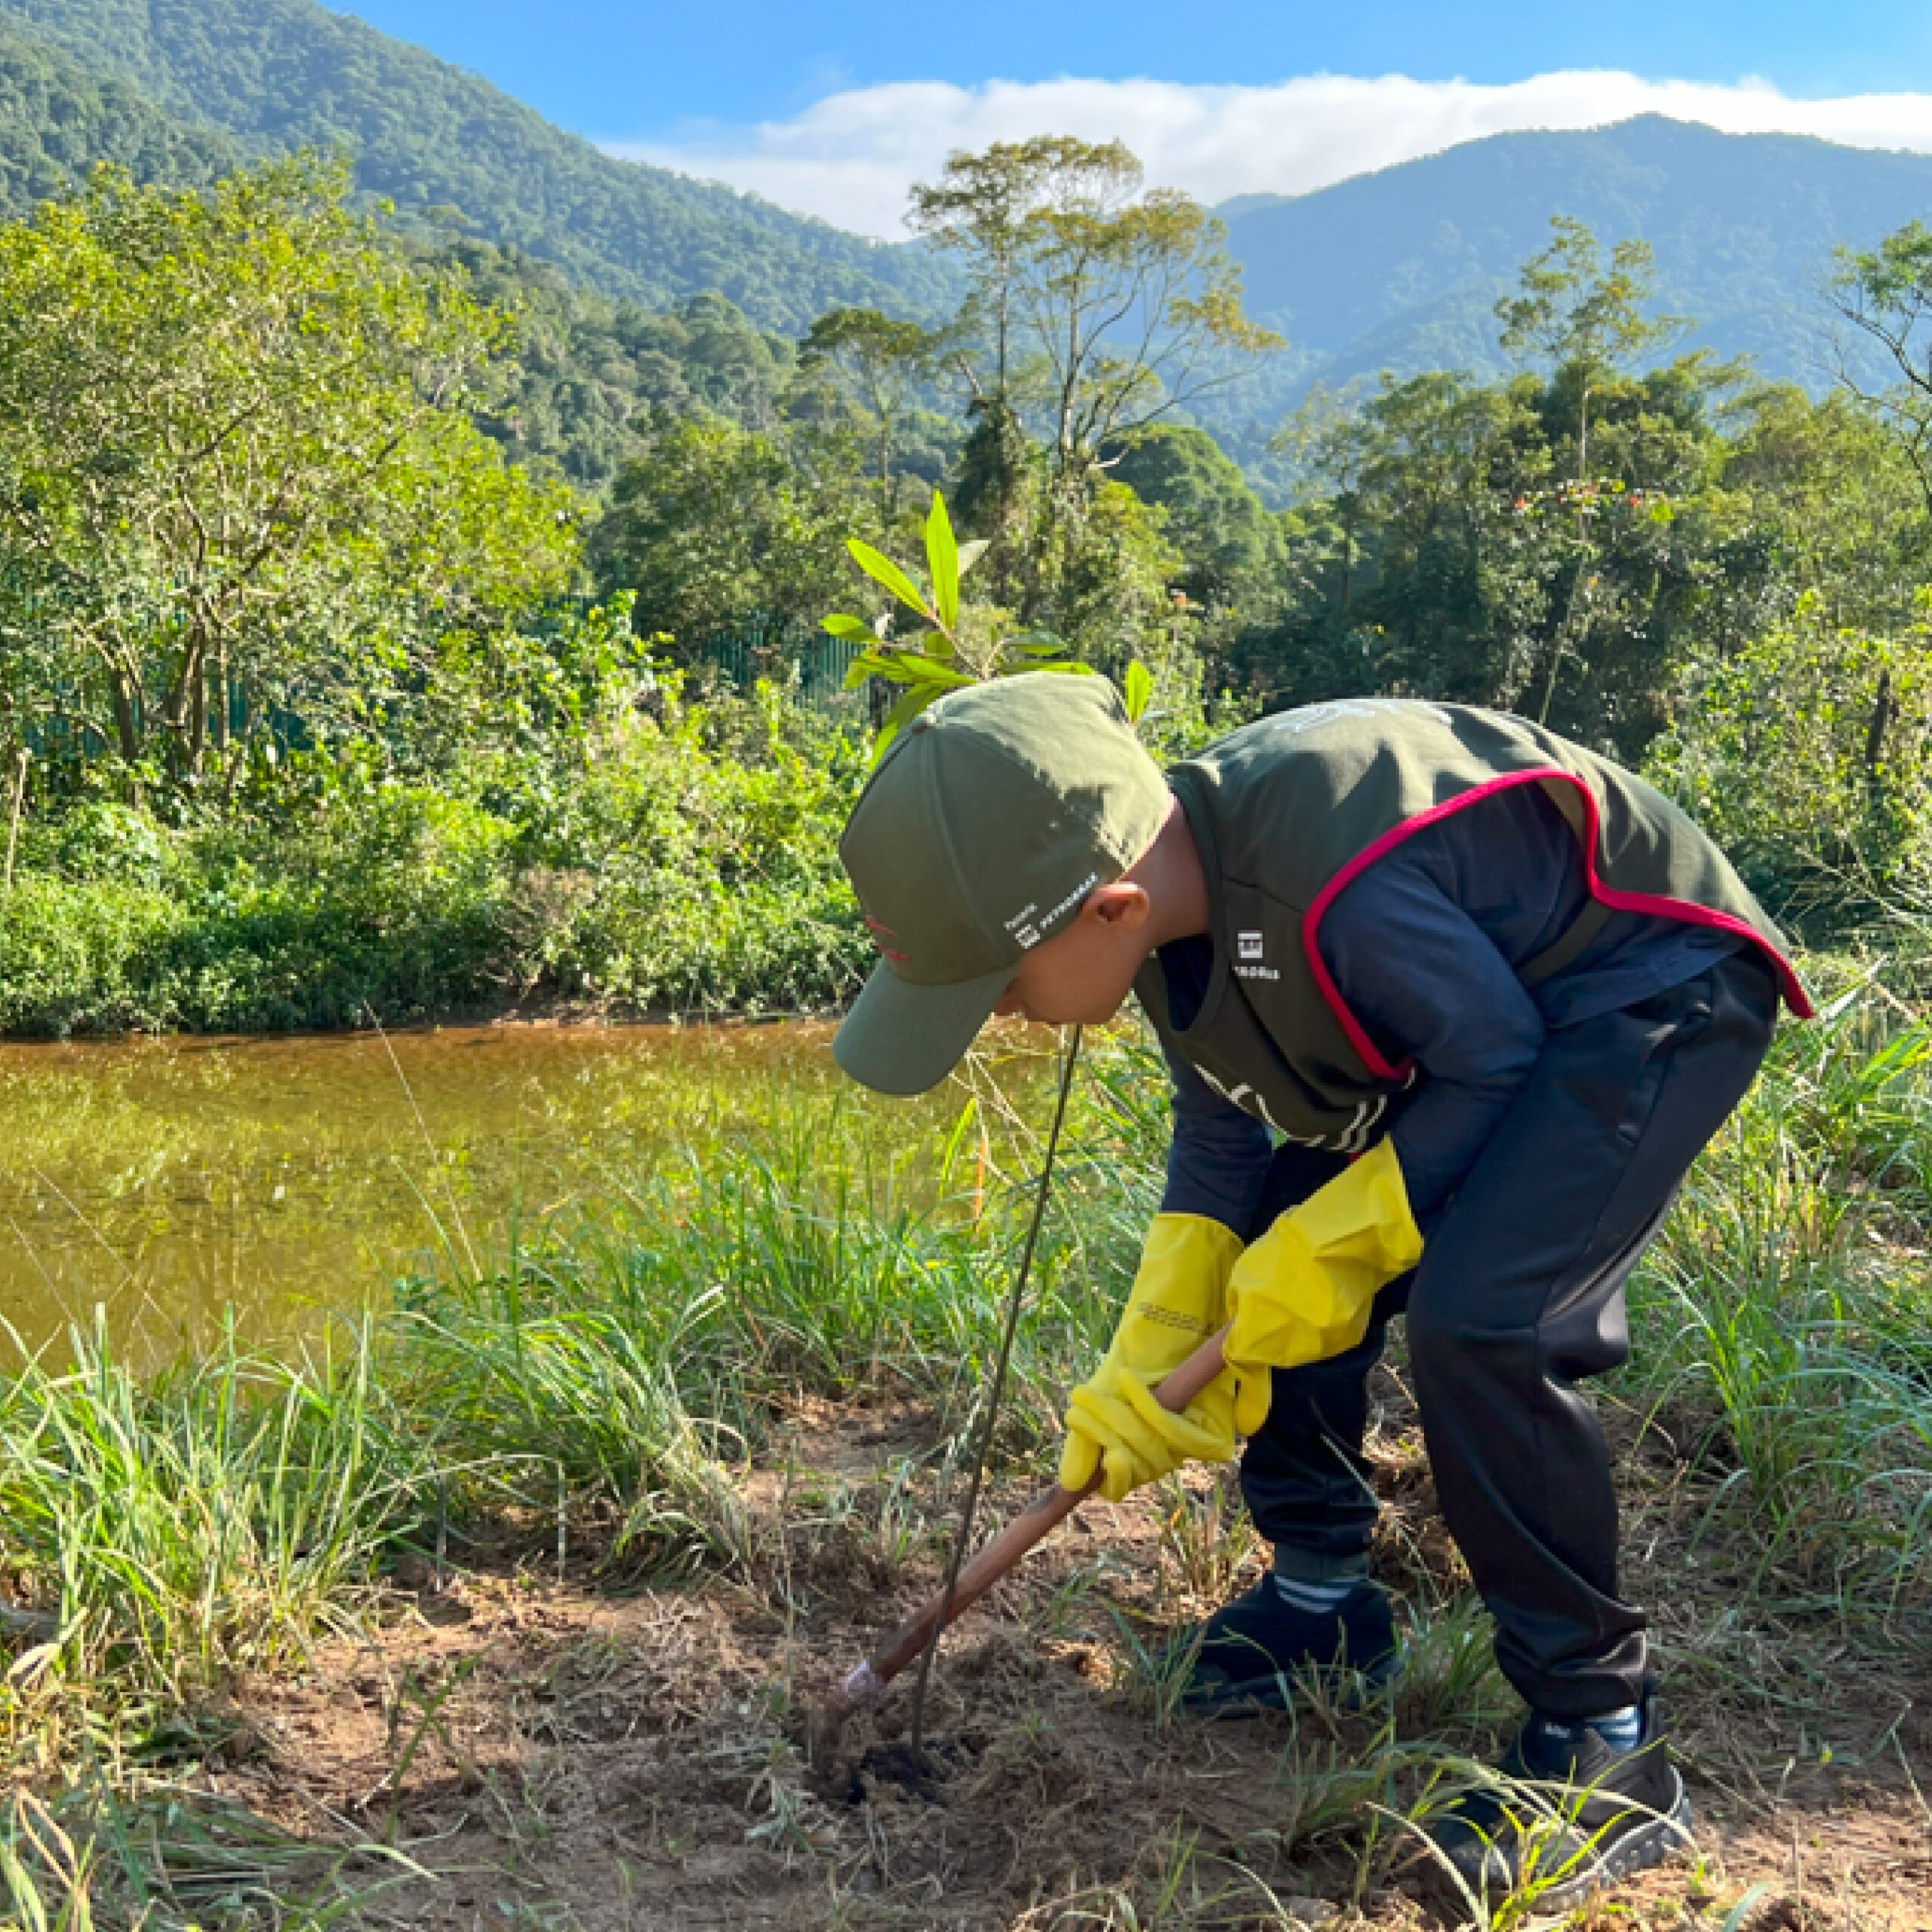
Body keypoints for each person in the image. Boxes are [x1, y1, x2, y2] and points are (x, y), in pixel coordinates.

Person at [829, 674, 1807, 1905]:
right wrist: (1168, 1330)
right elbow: (1228, 1123)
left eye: (1004, 989)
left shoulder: (1329, 888)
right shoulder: (1171, 915)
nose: (1010, 1020)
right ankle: (1320, 1606)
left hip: (1643, 993)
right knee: (1276, 1251)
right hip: (1474, 1023)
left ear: (1110, 907)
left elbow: (1499, 1058)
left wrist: (1335, 1248)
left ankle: (1604, 1740)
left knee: (1484, 1320)